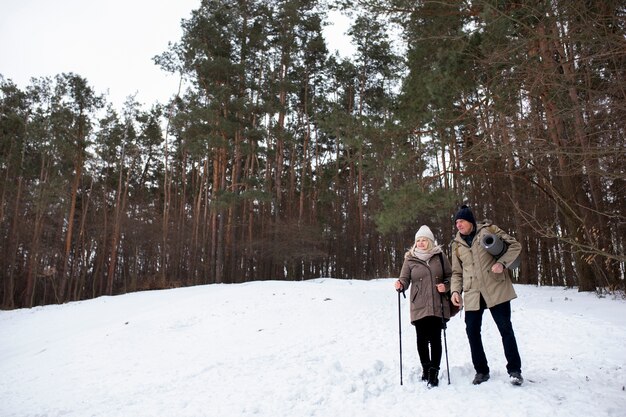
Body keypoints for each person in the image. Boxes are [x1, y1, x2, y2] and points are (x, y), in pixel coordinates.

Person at [449, 205, 524, 386]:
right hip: (473, 293)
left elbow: (515, 245)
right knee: (472, 332)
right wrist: (455, 291)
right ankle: (481, 371)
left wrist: (502, 263)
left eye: (461, 221)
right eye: (456, 222)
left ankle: (515, 370)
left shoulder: (489, 230)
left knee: (505, 329)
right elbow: (456, 273)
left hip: (495, 288)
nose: (458, 225)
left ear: (470, 221)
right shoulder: (456, 245)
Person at [394, 225, 452, 388]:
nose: (420, 243)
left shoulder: (440, 256)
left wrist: (445, 286)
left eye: (424, 240)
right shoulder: (410, 259)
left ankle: (434, 371)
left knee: (435, 338)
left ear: (430, 241)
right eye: (418, 240)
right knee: (421, 339)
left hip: (437, 303)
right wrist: (400, 285)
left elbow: (450, 276)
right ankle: (425, 368)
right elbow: (404, 279)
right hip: (418, 304)